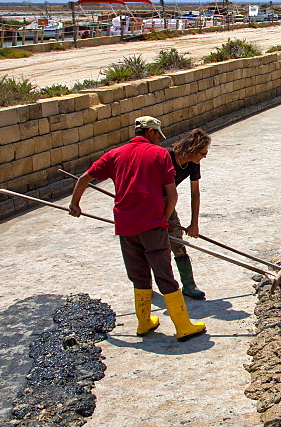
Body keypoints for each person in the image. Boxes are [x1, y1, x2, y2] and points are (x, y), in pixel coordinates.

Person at [69, 115, 206, 341]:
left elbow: (84, 178)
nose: (158, 140)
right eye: (157, 135)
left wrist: (75, 204)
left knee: (139, 275)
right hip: (151, 224)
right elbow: (172, 195)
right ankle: (183, 326)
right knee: (164, 274)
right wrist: (162, 220)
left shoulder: (115, 154)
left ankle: (144, 323)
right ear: (152, 132)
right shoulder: (160, 154)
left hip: (125, 224)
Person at [169, 129, 211, 300]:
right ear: (193, 149)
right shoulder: (167, 157)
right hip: (150, 200)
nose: (205, 157)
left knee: (177, 242)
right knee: (151, 244)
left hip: (167, 201)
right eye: (203, 153)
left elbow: (195, 193)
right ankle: (145, 285)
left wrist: (194, 223)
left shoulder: (194, 163)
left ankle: (189, 285)